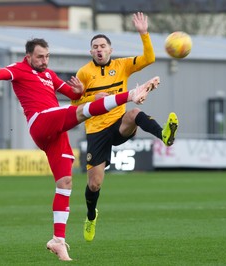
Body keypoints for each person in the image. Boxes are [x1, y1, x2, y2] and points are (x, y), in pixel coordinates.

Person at [0, 38, 159, 261]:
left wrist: (79, 91)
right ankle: (130, 95)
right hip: (40, 121)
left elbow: (73, 95)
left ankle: (58, 240)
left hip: (55, 132)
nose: (44, 61)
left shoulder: (49, 75)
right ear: (28, 57)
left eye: (47, 56)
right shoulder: (18, 69)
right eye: (40, 57)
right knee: (79, 113)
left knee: (65, 182)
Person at [71, 12, 179, 242]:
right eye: (95, 47)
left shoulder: (122, 66)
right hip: (96, 131)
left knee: (134, 113)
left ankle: (164, 134)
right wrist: (92, 100)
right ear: (91, 52)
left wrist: (144, 34)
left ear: (110, 49)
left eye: (103, 46)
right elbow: (75, 106)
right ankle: (91, 216)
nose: (99, 49)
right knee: (94, 183)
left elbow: (149, 59)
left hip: (118, 125)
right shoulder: (84, 73)